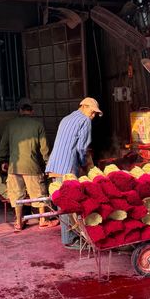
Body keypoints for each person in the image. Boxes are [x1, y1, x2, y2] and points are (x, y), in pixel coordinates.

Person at [46, 97, 103, 247]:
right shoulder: (85, 121)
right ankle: (70, 240)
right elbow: (81, 148)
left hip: (55, 164)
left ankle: (70, 236)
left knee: (62, 203)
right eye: (93, 112)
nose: (93, 116)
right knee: (68, 205)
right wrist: (85, 166)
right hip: (67, 168)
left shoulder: (66, 118)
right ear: (83, 107)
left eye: (95, 114)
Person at [0, 98, 59, 232]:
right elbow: (44, 148)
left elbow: (3, 145)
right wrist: (48, 164)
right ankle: (43, 220)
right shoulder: (38, 125)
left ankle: (19, 222)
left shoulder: (10, 125)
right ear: (32, 111)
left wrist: (3, 160)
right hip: (32, 167)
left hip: (14, 168)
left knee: (16, 195)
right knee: (39, 194)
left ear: (19, 110)